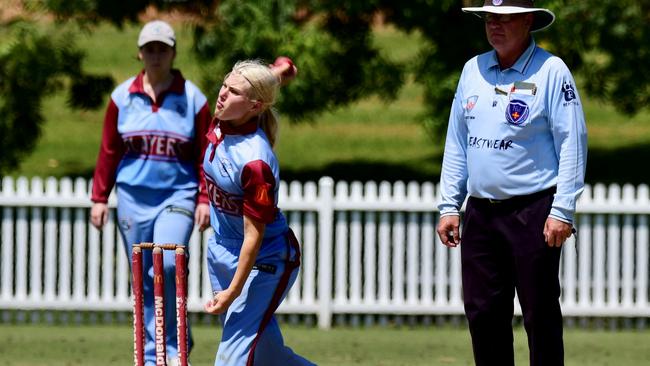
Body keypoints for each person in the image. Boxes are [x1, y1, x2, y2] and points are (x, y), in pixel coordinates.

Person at [436, 1, 587, 365]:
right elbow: (458, 141)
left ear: (529, 21)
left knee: (540, 314)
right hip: (481, 213)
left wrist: (562, 209)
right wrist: (449, 205)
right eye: (490, 18)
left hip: (533, 211)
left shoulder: (551, 70)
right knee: (483, 313)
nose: (495, 26)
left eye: (505, 19)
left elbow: (572, 141)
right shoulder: (473, 69)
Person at [89, 20, 211, 366]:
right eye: (150, 49)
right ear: (139, 53)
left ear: (173, 53)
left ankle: (174, 345)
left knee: (169, 264)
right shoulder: (122, 97)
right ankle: (150, 351)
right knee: (141, 274)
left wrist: (204, 197)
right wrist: (99, 198)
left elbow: (205, 152)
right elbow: (109, 150)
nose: (156, 55)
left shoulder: (192, 98)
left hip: (178, 194)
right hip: (132, 197)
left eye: (163, 49)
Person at [202, 59, 314, 366]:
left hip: (264, 260)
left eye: (233, 91)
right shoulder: (222, 121)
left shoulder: (256, 162)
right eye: (224, 85)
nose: (222, 94)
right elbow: (261, 83)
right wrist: (282, 71)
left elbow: (254, 235)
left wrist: (233, 290)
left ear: (254, 106)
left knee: (233, 354)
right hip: (223, 249)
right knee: (267, 355)